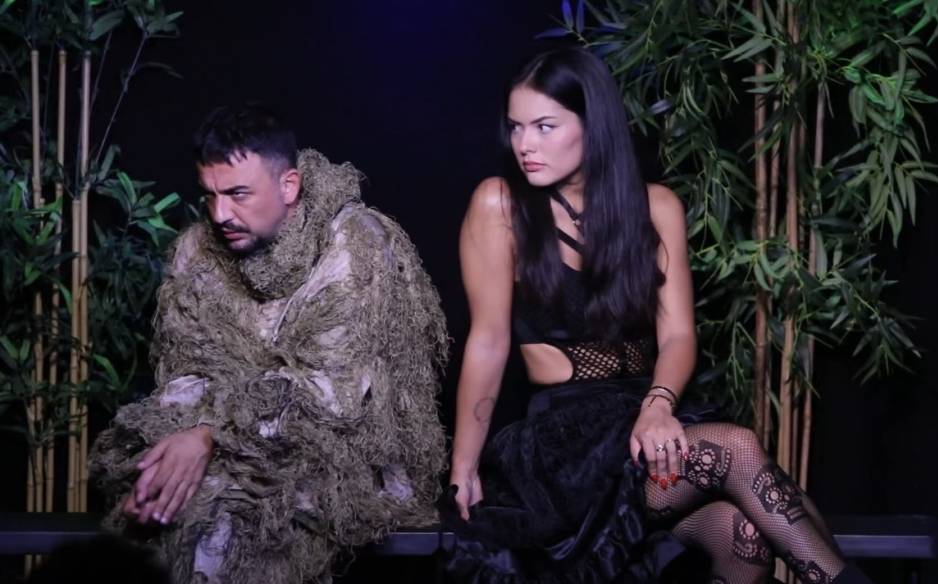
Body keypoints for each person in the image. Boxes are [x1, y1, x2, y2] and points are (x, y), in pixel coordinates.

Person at [440, 47, 872, 584]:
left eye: (544, 126)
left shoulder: (656, 207)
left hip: (646, 417)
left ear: (594, 125)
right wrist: (463, 466)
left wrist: (658, 405)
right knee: (737, 447)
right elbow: (488, 342)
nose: (524, 144)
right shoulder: (500, 205)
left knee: (743, 533)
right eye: (516, 127)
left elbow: (679, 337)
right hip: (566, 446)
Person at [90, 104, 449, 583]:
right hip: (225, 440)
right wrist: (183, 446)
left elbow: (330, 393)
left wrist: (208, 435)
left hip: (342, 452)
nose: (220, 214)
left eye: (238, 194)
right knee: (157, 488)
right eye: (210, 195)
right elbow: (186, 374)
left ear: (289, 186)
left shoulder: (353, 242)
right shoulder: (197, 250)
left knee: (232, 510)